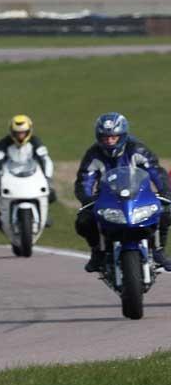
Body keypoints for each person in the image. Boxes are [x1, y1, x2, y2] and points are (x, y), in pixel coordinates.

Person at [75, 112, 171, 272]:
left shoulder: (137, 149)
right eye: (105, 137)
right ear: (99, 137)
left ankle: (159, 250)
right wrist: (86, 199)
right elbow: (85, 179)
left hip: (138, 194)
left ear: (122, 135)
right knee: (84, 221)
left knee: (165, 212)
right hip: (106, 197)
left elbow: (155, 171)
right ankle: (97, 252)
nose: (109, 141)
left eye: (114, 137)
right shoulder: (93, 154)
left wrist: (165, 192)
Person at [0, 114, 57, 201]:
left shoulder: (35, 141)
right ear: (12, 132)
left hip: (32, 177)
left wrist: (48, 178)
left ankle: (43, 214)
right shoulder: (4, 142)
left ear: (28, 131)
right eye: (17, 133)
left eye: (23, 132)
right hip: (9, 178)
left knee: (47, 197)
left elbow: (46, 160)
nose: (20, 135)